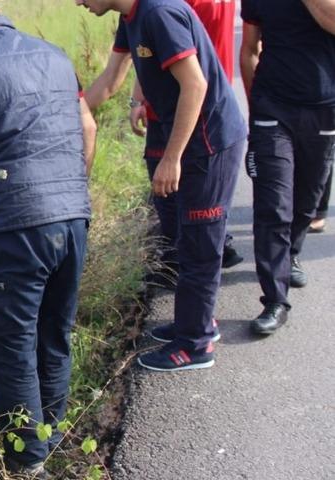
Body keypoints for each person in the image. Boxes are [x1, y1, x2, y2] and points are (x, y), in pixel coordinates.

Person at [0, 0, 97, 476]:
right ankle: (53, 442)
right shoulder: (55, 54)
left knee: (10, 347)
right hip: (72, 220)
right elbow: (87, 127)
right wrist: (70, 191)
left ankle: (27, 466)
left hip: (12, 227)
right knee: (54, 336)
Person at [77, 0, 246, 371]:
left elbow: (196, 84)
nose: (78, 2)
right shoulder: (130, 15)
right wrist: (62, 116)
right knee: (182, 234)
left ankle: (196, 344)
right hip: (182, 134)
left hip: (209, 140)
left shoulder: (158, 13)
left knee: (200, 242)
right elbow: (109, 81)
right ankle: (195, 322)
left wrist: (172, 159)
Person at [240, 0, 335, 335]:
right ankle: (275, 300)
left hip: (324, 107)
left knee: (306, 200)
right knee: (273, 206)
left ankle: (291, 253)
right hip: (272, 107)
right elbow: (249, 49)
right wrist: (256, 106)